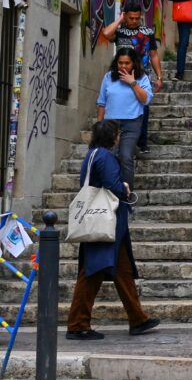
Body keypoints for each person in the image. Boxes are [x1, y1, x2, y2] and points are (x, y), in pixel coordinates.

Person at [66, 120, 160, 340]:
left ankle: (138, 319)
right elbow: (112, 183)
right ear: (112, 137)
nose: (119, 137)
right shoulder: (106, 156)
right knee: (93, 271)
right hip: (106, 222)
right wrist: (124, 188)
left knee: (123, 271)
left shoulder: (92, 154)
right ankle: (78, 324)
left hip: (106, 222)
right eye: (117, 134)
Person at [102, 2, 163, 154]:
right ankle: (119, 141)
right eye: (131, 18)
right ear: (125, 16)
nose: (134, 21)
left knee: (144, 108)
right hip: (121, 75)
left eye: (137, 18)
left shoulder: (147, 32)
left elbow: (153, 55)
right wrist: (120, 20)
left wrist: (159, 76)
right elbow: (106, 34)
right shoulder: (120, 31)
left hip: (142, 75)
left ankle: (141, 143)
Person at [96, 48, 153, 186]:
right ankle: (110, 191)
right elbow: (102, 102)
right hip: (111, 124)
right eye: (120, 63)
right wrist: (99, 126)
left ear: (133, 63)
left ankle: (126, 196)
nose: (123, 66)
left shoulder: (142, 78)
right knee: (110, 156)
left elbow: (145, 100)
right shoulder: (108, 77)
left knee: (126, 156)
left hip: (132, 123)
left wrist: (132, 82)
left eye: (127, 63)